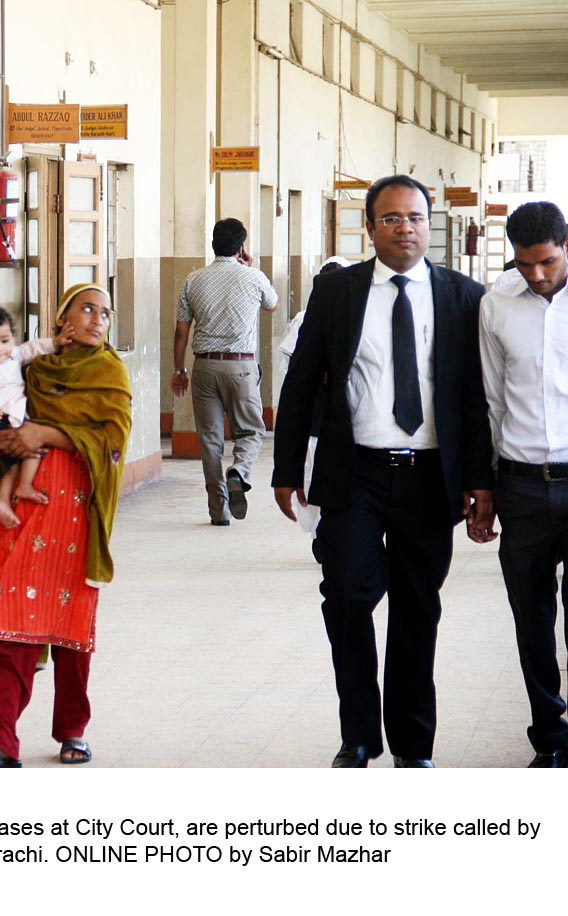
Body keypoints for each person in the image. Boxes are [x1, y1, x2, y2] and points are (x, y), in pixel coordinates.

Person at [272, 175, 493, 769]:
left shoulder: (462, 296)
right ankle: (359, 734)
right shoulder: (339, 293)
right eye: (391, 218)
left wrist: (479, 481)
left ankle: (414, 745)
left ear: (430, 225)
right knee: (346, 598)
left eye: (415, 217)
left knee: (419, 609)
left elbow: (475, 397)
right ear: (369, 227)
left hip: (428, 478)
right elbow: (301, 383)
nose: (405, 228)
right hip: (355, 475)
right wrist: (287, 467)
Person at [0, 284, 131, 768]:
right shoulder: (29, 367)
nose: (97, 318)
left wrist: (46, 433)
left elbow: (114, 440)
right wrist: (1, 440)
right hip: (24, 514)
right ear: (62, 320)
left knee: (70, 626)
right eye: (86, 308)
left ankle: (72, 729)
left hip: (78, 517)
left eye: (104, 312)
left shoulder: (108, 372)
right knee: (9, 621)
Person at [477, 201, 568, 768]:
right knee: (531, 617)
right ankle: (550, 737)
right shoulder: (496, 305)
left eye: (548, 263)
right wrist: (484, 488)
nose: (537, 275)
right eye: (526, 264)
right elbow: (490, 399)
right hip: (521, 485)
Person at [172, 218, 278, 525]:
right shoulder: (253, 277)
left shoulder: (193, 280)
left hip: (204, 365)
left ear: (213, 244)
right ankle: (239, 472)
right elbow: (273, 304)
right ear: (241, 247)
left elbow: (181, 332)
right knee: (251, 431)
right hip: (241, 366)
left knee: (210, 440)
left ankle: (219, 511)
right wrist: (251, 266)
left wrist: (178, 369)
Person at [0, 305, 75, 529]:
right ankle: (26, 486)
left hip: (15, 416)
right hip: (1, 419)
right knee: (32, 451)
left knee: (13, 465)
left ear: (12, 337)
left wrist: (57, 342)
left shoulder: (12, 356)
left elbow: (32, 349)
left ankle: (3, 499)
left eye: (4, 340)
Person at [279, 256, 353, 562]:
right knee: (312, 475)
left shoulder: (359, 319)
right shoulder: (304, 319)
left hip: (344, 417)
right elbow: (291, 372)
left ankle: (332, 531)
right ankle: (322, 533)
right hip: (316, 414)